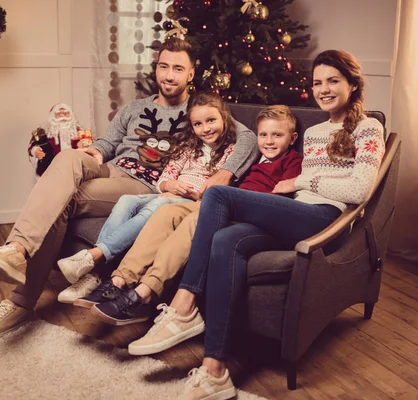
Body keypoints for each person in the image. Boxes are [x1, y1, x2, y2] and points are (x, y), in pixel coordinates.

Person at [129, 50, 386, 400]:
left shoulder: (368, 127)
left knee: (218, 196)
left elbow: (359, 190)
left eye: (333, 81)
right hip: (296, 213)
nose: (323, 89)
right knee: (227, 239)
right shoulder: (315, 133)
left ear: (353, 84)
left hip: (328, 220)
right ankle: (214, 371)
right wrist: (297, 190)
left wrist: (299, 183)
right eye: (317, 83)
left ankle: (184, 304)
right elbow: (309, 180)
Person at [0, 38, 259, 341]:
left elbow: (247, 137)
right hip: (112, 168)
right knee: (68, 157)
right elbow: (108, 143)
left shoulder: (199, 111)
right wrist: (92, 153)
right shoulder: (135, 107)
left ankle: (20, 299)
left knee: (63, 201)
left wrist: (225, 172)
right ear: (156, 69)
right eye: (163, 67)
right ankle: (15, 250)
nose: (169, 75)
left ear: (190, 74)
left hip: (142, 183)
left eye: (177, 68)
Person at [73, 105, 302, 328]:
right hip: (220, 203)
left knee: (195, 221)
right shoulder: (253, 158)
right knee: (167, 211)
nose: (269, 141)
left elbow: (284, 194)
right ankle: (119, 279)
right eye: (264, 134)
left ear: (291, 139)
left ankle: (142, 295)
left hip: (245, 212)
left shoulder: (291, 161)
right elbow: (243, 147)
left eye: (277, 135)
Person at [55, 91, 238, 305]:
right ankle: (96, 272)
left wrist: (194, 193)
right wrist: (171, 185)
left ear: (224, 118)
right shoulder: (189, 148)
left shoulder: (233, 153)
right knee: (126, 201)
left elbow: (224, 190)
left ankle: (94, 261)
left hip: (191, 203)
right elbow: (164, 178)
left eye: (211, 121)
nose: (205, 128)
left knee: (160, 204)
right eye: (198, 124)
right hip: (170, 194)